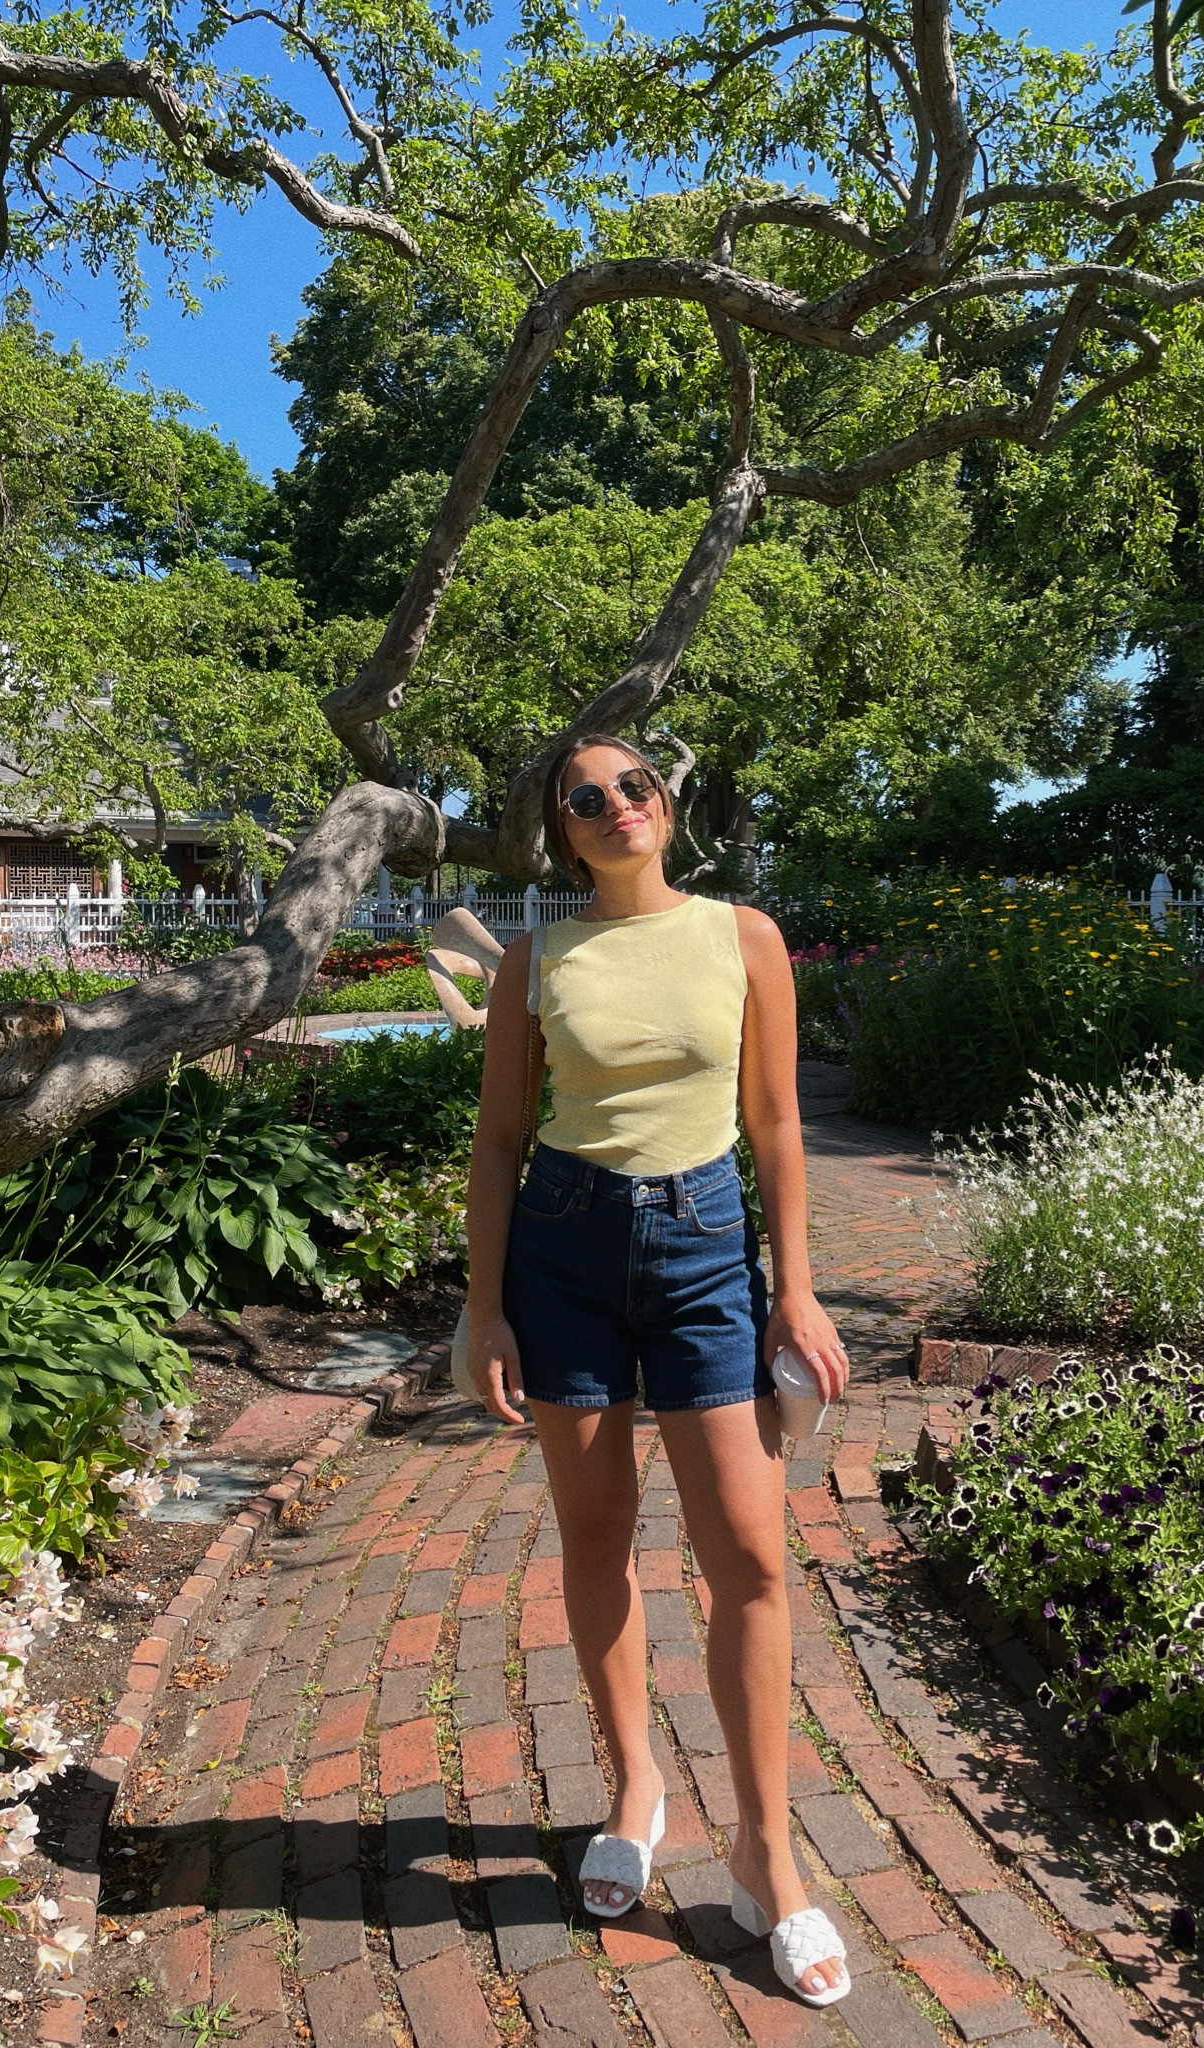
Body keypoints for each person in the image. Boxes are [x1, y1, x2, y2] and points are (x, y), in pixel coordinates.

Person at [463, 733, 852, 2008]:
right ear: (560, 832)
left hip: (701, 1252)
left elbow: (778, 1122)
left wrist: (794, 1287)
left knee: (746, 1549)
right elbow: (503, 1139)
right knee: (595, 1531)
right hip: (562, 1257)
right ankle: (634, 1781)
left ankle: (766, 1852)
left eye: (634, 785)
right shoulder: (536, 959)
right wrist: (482, 1311)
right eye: (586, 799)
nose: (617, 805)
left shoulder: (742, 935)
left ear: (666, 802)